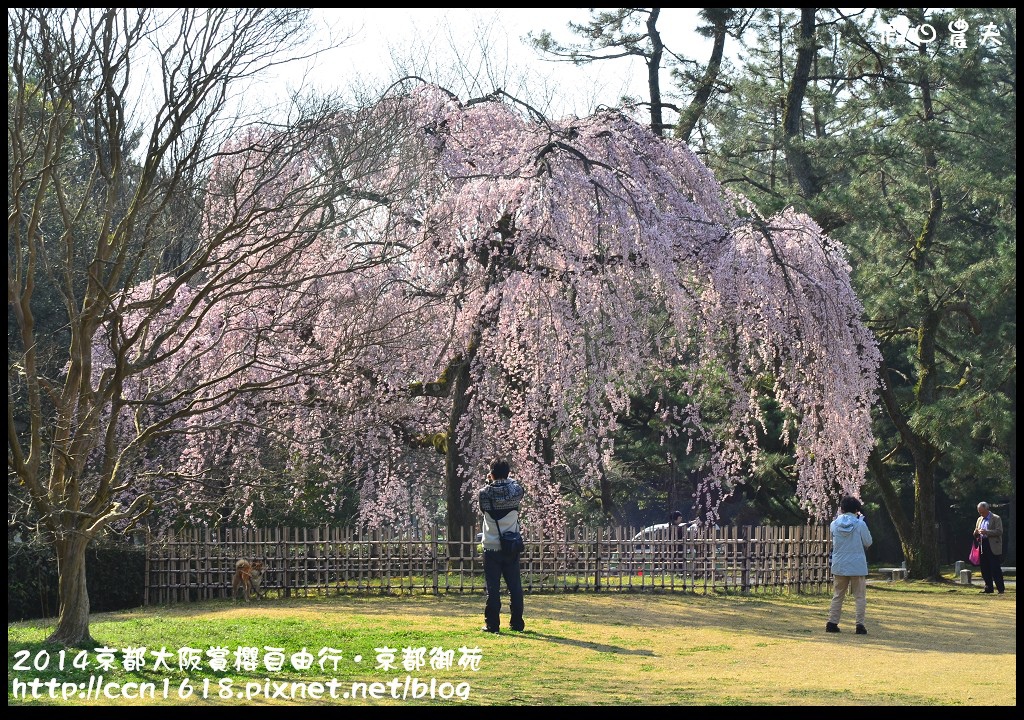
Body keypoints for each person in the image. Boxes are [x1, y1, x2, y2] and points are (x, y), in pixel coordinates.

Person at [478, 458, 526, 633]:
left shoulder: (484, 494)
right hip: (511, 546)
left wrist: (490, 481)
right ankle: (517, 623)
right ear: (508, 473)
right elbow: (519, 487)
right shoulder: (516, 492)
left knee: (493, 588)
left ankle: (492, 624)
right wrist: (508, 480)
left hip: (491, 547)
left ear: (491, 474)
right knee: (515, 587)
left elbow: (483, 510)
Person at [826, 495, 873, 635]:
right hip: (857, 564)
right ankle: (860, 625)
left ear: (842, 508)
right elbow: (868, 542)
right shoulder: (860, 524)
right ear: (857, 509)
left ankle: (832, 623)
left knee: (838, 595)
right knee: (859, 596)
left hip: (840, 563)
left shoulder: (834, 524)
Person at [973, 502, 1005, 595]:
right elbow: (975, 532)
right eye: (979, 512)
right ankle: (988, 588)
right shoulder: (979, 519)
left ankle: (1001, 589)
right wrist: (976, 532)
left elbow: (999, 531)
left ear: (987, 509)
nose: (981, 514)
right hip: (982, 545)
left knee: (995, 568)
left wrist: (986, 532)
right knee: (984, 568)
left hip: (993, 546)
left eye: (982, 512)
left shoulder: (996, 518)